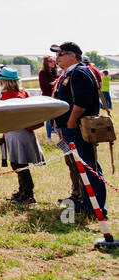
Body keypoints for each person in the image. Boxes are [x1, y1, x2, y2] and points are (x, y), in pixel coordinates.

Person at [51, 41, 106, 218]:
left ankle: (96, 208)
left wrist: (71, 122)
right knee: (80, 167)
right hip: (70, 128)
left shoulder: (79, 72)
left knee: (89, 167)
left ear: (72, 55)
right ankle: (86, 203)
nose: (56, 58)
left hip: (78, 128)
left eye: (60, 54)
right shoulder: (71, 73)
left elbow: (82, 103)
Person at [0, 68, 44, 203]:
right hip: (20, 133)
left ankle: (27, 195)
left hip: (17, 133)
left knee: (19, 165)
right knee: (19, 164)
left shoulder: (9, 96)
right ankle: (22, 191)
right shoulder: (22, 93)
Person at [38, 54, 59, 139]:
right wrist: (56, 82)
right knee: (49, 118)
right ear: (46, 63)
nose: (53, 62)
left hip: (55, 97)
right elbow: (46, 84)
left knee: (56, 116)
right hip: (47, 97)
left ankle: (56, 135)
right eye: (51, 61)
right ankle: (48, 138)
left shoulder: (54, 71)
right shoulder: (42, 72)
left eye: (54, 61)